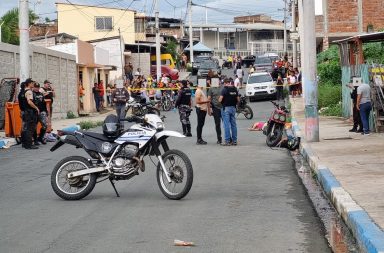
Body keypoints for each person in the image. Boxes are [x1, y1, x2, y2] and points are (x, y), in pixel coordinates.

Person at [19, 78, 39, 149]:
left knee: (24, 128)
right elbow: (29, 102)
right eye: (32, 83)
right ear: (29, 83)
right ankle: (29, 145)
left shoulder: (21, 92)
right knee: (29, 128)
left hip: (24, 112)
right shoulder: (29, 92)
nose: (33, 84)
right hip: (29, 112)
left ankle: (24, 144)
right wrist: (36, 108)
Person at [219, 78, 240, 146]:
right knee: (233, 125)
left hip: (226, 108)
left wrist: (219, 99)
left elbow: (220, 100)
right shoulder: (234, 89)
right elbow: (238, 100)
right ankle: (234, 141)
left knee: (226, 125)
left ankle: (227, 141)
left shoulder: (224, 89)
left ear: (225, 83)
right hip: (233, 108)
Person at [207, 79, 223, 144]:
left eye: (218, 81)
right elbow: (208, 99)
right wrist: (209, 110)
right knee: (217, 124)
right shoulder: (211, 89)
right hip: (215, 108)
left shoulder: (223, 88)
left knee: (226, 124)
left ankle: (228, 138)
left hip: (223, 108)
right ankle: (219, 138)